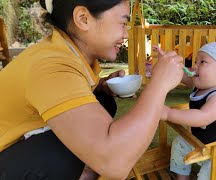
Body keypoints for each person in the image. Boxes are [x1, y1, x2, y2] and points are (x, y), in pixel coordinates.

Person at [0, 0, 184, 179]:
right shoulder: (52, 67)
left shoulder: (65, 53)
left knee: (102, 101)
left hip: (15, 148)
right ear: (83, 19)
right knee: (58, 156)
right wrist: (159, 85)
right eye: (122, 23)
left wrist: (101, 87)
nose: (126, 34)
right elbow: (115, 163)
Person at [157, 41, 216, 180]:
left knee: (208, 174)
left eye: (202, 62)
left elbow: (202, 117)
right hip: (201, 144)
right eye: (196, 61)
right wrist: (167, 62)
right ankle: (182, 177)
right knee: (179, 143)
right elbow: (183, 75)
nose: (195, 65)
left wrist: (168, 113)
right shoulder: (201, 84)